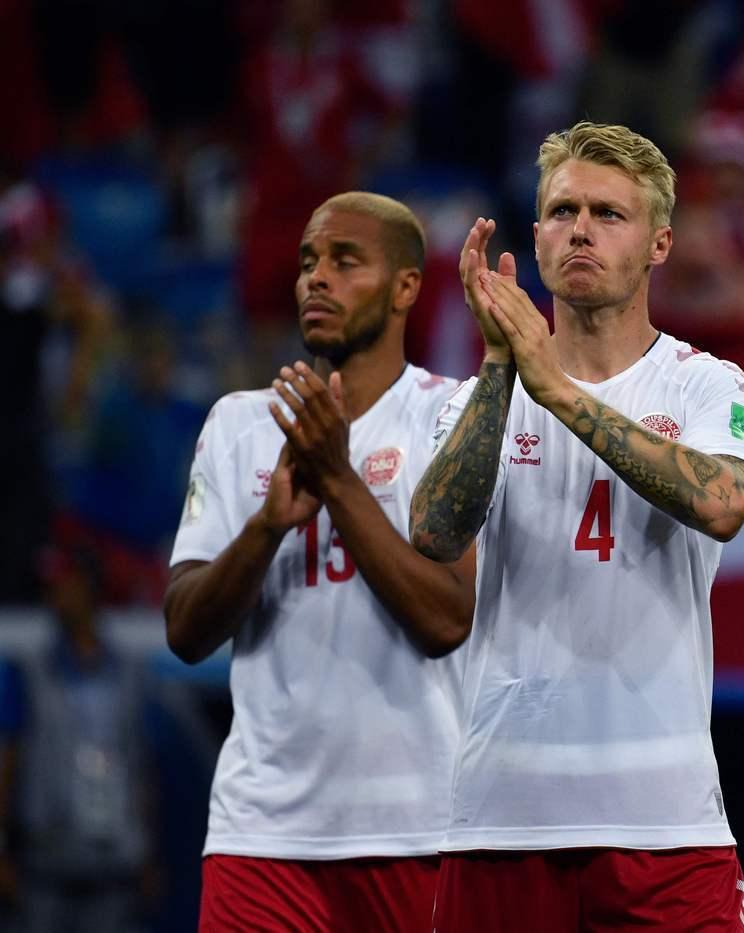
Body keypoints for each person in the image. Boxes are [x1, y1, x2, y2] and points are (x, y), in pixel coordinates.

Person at [410, 121, 744, 932]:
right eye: (563, 210)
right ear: (535, 238)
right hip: (502, 818)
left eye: (609, 213)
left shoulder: (709, 385)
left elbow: (722, 503)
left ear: (659, 243)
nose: (581, 228)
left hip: (665, 825)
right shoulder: (478, 396)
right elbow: (433, 534)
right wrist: (504, 367)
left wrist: (558, 390)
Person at [163, 192, 474, 932]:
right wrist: (265, 529)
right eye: (308, 262)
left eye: (344, 261)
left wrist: (336, 480)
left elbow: (447, 618)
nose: (316, 280)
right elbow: (184, 628)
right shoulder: (238, 424)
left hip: (418, 831)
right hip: (260, 835)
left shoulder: (451, 417)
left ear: (405, 286)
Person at [0, 547, 158, 933]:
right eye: (51, 588)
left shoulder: (129, 673)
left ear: (89, 588)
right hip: (45, 861)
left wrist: (150, 853)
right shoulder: (30, 672)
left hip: (115, 860)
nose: (56, 597)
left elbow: (142, 764)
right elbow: (8, 763)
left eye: (64, 585)